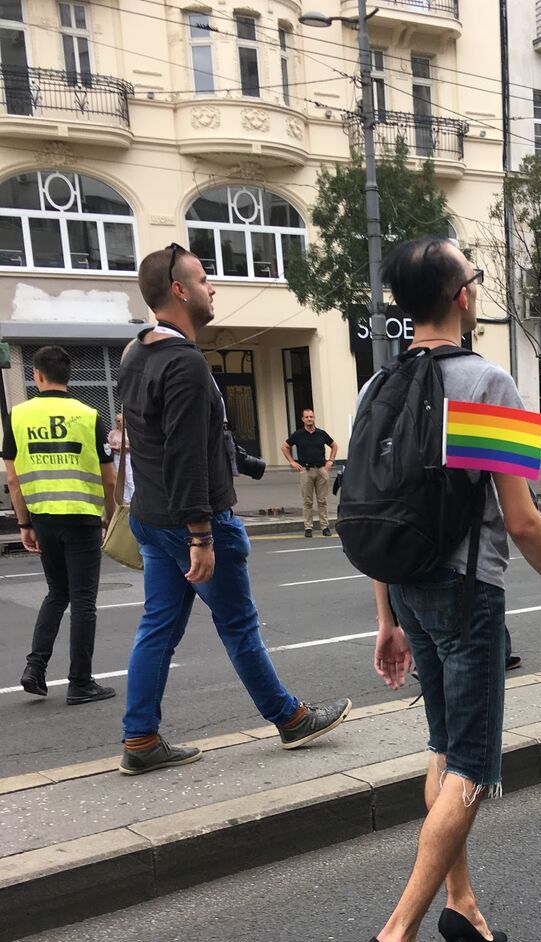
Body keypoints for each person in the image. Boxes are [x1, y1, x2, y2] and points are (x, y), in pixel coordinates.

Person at [362, 236, 541, 942]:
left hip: (409, 591)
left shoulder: (377, 386)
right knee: (473, 766)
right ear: (462, 297)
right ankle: (399, 933)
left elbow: (376, 516)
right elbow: (521, 520)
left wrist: (386, 618)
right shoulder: (488, 384)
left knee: (442, 745)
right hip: (467, 595)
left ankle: (462, 905)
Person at [116, 243, 351, 776]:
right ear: (179, 291)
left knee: (158, 627)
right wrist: (201, 534)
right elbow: (185, 454)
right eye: (204, 279)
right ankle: (291, 719)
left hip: (151, 517)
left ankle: (140, 738)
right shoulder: (184, 363)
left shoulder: (135, 354)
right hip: (192, 522)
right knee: (239, 625)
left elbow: (159, 443)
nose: (213, 287)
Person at [3, 345, 117, 705]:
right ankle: (80, 682)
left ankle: (35, 668)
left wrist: (24, 524)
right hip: (82, 518)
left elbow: (13, 480)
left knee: (57, 593)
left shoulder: (17, 416)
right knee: (83, 600)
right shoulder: (89, 415)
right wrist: (109, 518)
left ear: (37, 375)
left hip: (43, 518)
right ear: (68, 376)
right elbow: (110, 479)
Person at [281, 408, 337, 538]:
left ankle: (325, 527)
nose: (309, 419)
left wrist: (331, 460)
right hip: (306, 471)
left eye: (311, 417)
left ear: (314, 418)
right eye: (306, 417)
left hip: (321, 469)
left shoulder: (321, 434)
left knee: (322, 500)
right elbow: (284, 446)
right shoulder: (298, 434)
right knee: (307, 501)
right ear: (302, 419)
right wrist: (292, 462)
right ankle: (308, 527)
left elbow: (334, 445)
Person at [108, 409, 134, 503]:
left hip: (127, 456)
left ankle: (133, 497)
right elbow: (108, 445)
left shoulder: (128, 432)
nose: (119, 422)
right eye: (117, 421)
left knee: (129, 476)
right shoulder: (112, 433)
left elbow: (133, 445)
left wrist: (124, 447)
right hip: (117, 456)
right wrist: (114, 447)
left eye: (121, 420)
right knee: (121, 477)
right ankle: (126, 499)